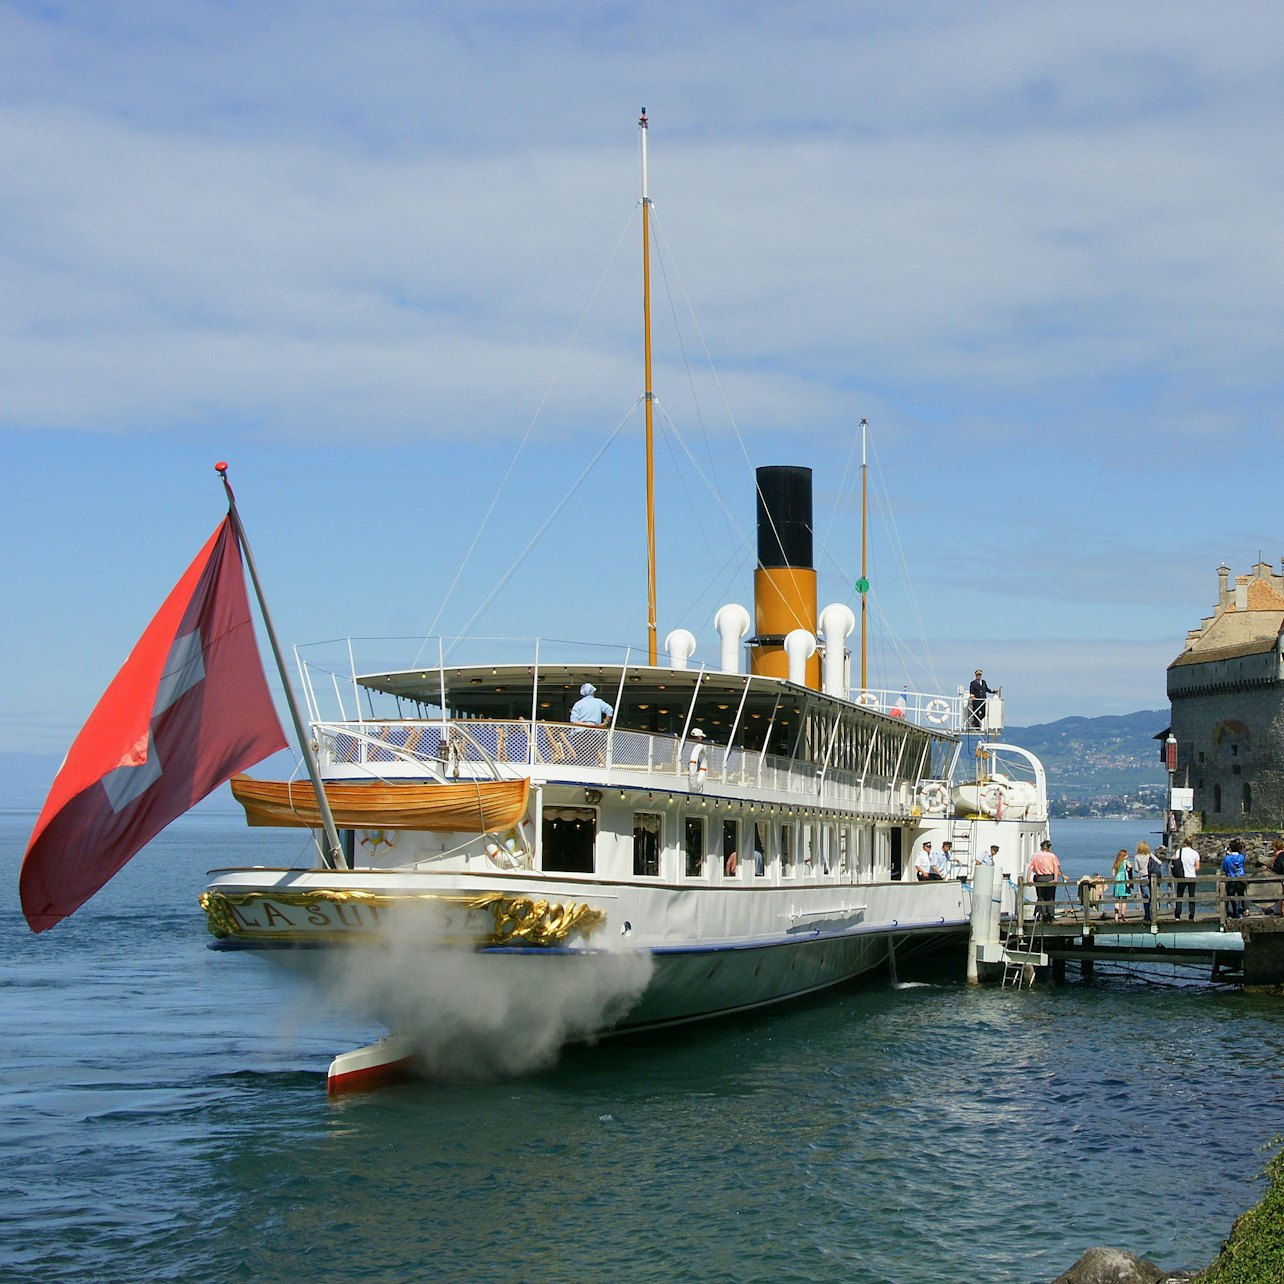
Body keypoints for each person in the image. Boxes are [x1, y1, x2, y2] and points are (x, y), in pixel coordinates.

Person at [569, 682, 613, 764]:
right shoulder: (598, 702)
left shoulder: (578, 704)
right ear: (593, 692)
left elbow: (574, 720)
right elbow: (610, 710)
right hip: (594, 732)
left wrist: (585, 725)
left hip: (580, 734)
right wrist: (605, 723)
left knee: (581, 756)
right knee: (593, 755)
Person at [1026, 839, 1064, 924]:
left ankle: (1044, 915)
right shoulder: (1052, 856)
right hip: (1049, 877)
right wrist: (1055, 879)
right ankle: (1050, 916)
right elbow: (1055, 868)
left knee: (1041, 897)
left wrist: (1028, 879)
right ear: (1048, 848)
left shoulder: (1035, 855)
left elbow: (1031, 867)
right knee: (1050, 897)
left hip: (1039, 877)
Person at [1173, 838, 1200, 921]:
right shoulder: (1195, 853)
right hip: (1192, 876)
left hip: (1182, 876)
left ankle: (1177, 915)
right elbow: (1197, 867)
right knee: (1191, 896)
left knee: (1179, 896)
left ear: (1184, 843)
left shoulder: (1179, 851)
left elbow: (1175, 861)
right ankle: (1191, 914)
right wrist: (1191, 869)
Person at [1221, 838, 1247, 920]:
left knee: (1230, 896)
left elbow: (1224, 868)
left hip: (1231, 878)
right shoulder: (1241, 857)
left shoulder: (1227, 858)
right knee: (1241, 895)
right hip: (1240, 877)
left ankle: (1233, 911)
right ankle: (1242, 910)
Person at [1131, 841, 1154, 923]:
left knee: (1146, 897)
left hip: (1142, 878)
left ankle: (1147, 915)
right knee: (1153, 897)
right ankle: (1153, 914)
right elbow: (1159, 862)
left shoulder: (1137, 857)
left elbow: (1136, 869)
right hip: (1151, 877)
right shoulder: (1149, 855)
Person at [1110, 848, 1130, 922]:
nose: (1128, 856)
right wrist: (1127, 870)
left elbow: (1113, 873)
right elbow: (1130, 866)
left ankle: (1116, 916)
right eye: (1126, 854)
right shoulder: (1125, 862)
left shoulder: (1116, 863)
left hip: (1117, 880)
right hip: (1124, 879)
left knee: (1117, 899)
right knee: (1124, 899)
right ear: (1124, 856)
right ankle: (1122, 915)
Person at [687, 727, 708, 792]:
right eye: (701, 737)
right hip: (691, 771)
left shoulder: (686, 745)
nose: (701, 739)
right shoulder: (696, 748)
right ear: (698, 737)